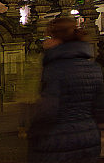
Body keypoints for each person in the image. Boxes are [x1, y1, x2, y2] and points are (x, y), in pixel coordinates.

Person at [27, 16, 104, 163]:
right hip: (89, 140)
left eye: (48, 37)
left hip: (58, 142)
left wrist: (34, 131)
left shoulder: (54, 69)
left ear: (57, 38)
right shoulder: (94, 68)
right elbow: (100, 109)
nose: (45, 42)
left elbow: (48, 110)